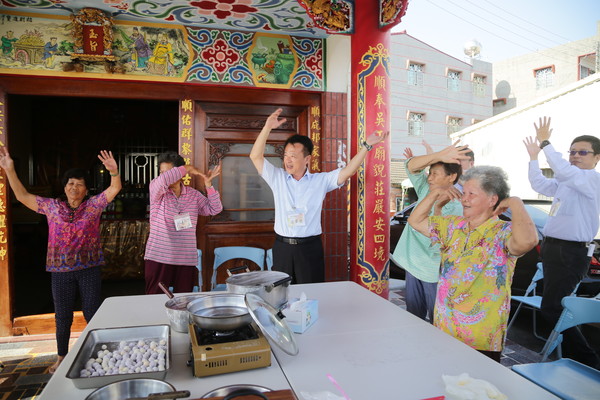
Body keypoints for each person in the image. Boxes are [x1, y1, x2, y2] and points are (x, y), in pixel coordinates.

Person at [0, 148, 122, 373]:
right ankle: (61, 357)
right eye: (70, 183)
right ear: (64, 187)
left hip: (89, 268)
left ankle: (101, 351)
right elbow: (22, 197)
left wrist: (114, 172)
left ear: (86, 190)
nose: (73, 187)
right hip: (60, 271)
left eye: (79, 184)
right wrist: (9, 169)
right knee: (63, 315)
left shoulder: (93, 206)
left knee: (92, 311)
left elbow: (115, 188)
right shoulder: (52, 207)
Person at [408, 166, 538, 362]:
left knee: (474, 390)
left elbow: (526, 242)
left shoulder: (503, 232)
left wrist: (515, 203)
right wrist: (435, 192)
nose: (464, 199)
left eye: (471, 194)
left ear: (492, 199)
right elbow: (415, 220)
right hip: (445, 329)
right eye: (464, 193)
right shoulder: (453, 225)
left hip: (480, 337)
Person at [250, 108, 388, 284]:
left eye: (293, 156)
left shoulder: (320, 180)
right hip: (283, 247)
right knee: (282, 295)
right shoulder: (277, 177)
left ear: (307, 159)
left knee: (310, 294)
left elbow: (347, 171)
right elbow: (255, 156)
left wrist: (366, 147)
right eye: (285, 156)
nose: (288, 160)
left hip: (309, 248)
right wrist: (267, 127)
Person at [524, 116, 600, 369]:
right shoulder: (568, 181)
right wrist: (534, 158)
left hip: (571, 252)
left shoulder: (591, 179)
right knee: (554, 306)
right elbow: (539, 183)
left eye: (582, 152)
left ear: (596, 158)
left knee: (554, 308)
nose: (575, 155)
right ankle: (571, 359)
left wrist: (546, 143)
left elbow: (563, 171)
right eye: (572, 151)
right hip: (554, 248)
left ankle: (587, 362)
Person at [391, 143, 466, 322]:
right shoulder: (427, 188)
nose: (430, 178)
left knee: (437, 320)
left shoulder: (456, 206)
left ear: (452, 177)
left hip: (434, 271)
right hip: (414, 266)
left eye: (435, 174)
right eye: (430, 173)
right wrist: (438, 154)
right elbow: (410, 166)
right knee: (413, 316)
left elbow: (437, 237)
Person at [144, 151, 222, 294]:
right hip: (159, 256)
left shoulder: (193, 195)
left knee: (183, 301)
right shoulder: (157, 190)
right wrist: (189, 168)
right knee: (154, 300)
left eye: (168, 172)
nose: (164, 176)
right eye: (161, 172)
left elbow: (214, 209)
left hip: (185, 257)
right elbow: (163, 180)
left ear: (179, 174)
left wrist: (209, 186)